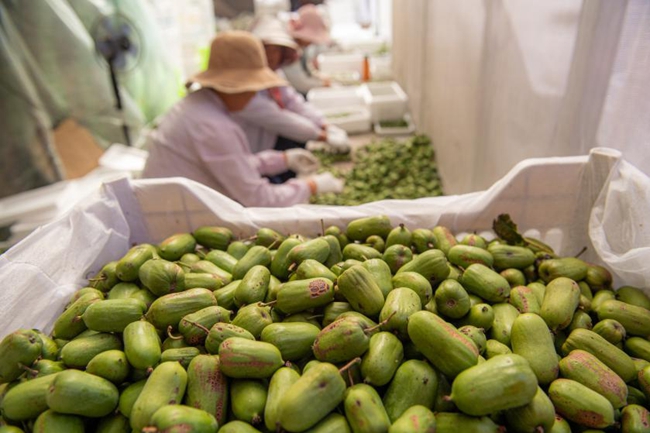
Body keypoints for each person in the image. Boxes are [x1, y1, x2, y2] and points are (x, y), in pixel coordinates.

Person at [141, 31, 343, 207]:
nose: (255, 94)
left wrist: (280, 160)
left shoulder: (197, 105)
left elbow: (232, 163)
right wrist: (310, 186)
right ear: (234, 86)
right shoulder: (213, 125)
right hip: (171, 219)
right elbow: (259, 199)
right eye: (253, 87)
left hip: (168, 204)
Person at [233, 15, 349, 182]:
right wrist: (321, 136)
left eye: (276, 49)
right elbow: (277, 118)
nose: (272, 55)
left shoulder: (275, 73)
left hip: (268, 147)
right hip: (250, 154)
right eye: (266, 49)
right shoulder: (242, 86)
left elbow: (293, 102)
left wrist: (325, 124)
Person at [282, 4, 332, 95]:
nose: (312, 42)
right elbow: (300, 83)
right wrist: (321, 84)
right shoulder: (289, 51)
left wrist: (319, 77)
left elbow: (308, 69)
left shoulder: (302, 48)